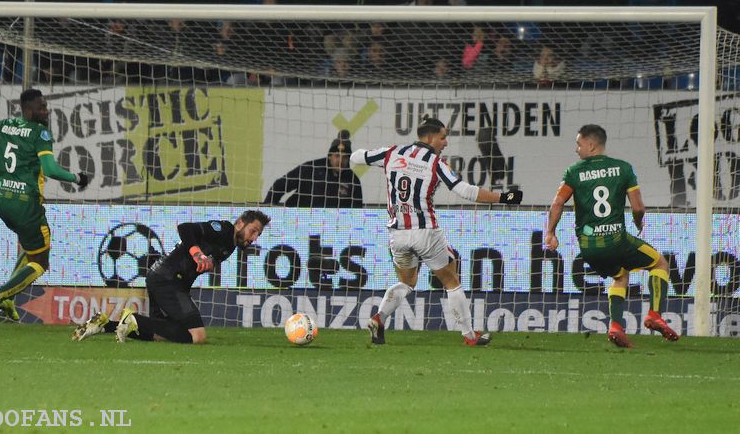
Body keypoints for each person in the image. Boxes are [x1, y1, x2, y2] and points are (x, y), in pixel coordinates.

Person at [350, 116, 523, 346]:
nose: (446, 142)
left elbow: (355, 157)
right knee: (451, 280)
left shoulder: (392, 152)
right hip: (425, 232)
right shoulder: (435, 163)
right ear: (431, 138)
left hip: (398, 234)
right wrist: (504, 197)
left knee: (408, 282)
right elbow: (466, 191)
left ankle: (379, 318)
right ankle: (470, 336)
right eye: (443, 137)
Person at [0, 89, 90, 329]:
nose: (46, 110)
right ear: (29, 109)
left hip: (4, 204)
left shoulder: (2, 126)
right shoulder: (40, 132)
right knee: (40, 262)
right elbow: (50, 170)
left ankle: (8, 297)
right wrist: (77, 177)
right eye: (42, 107)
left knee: (31, 250)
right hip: (27, 205)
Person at [544, 124, 680, 348]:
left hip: (588, 247)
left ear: (591, 144)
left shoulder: (573, 172)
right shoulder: (624, 168)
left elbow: (558, 202)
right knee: (660, 263)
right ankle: (654, 314)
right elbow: (638, 208)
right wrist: (638, 223)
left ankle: (616, 325)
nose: (576, 149)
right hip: (617, 240)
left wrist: (550, 233)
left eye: (578, 144)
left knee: (620, 276)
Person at [72, 210, 271, 344]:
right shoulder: (225, 230)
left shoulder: (229, 247)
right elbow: (185, 228)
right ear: (240, 223)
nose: (254, 238)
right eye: (253, 231)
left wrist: (206, 262)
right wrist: (196, 252)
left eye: (258, 235)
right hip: (168, 279)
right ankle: (131, 319)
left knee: (163, 333)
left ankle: (104, 325)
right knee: (197, 335)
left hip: (160, 278)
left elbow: (201, 258)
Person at [263, 130, 363, 208]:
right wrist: (268, 207)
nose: (340, 161)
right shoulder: (311, 168)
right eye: (337, 156)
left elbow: (356, 210)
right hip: (297, 220)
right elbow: (280, 185)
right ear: (330, 156)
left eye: (345, 157)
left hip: (331, 229)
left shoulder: (352, 180)